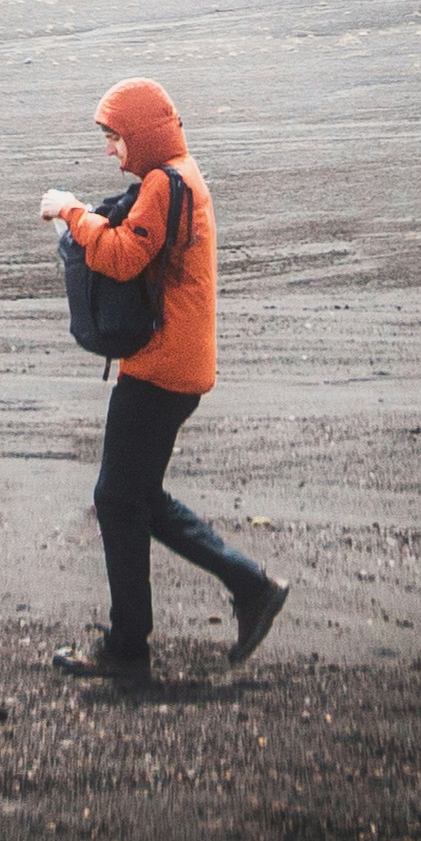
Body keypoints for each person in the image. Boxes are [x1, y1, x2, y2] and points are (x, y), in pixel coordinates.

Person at [35, 71, 289, 688]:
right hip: (178, 365)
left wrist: (69, 211)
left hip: (160, 370)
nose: (109, 149)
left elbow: (121, 255)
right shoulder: (179, 176)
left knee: (118, 499)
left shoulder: (164, 182)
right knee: (137, 497)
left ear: (142, 134)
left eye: (114, 137)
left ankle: (130, 647)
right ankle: (249, 589)